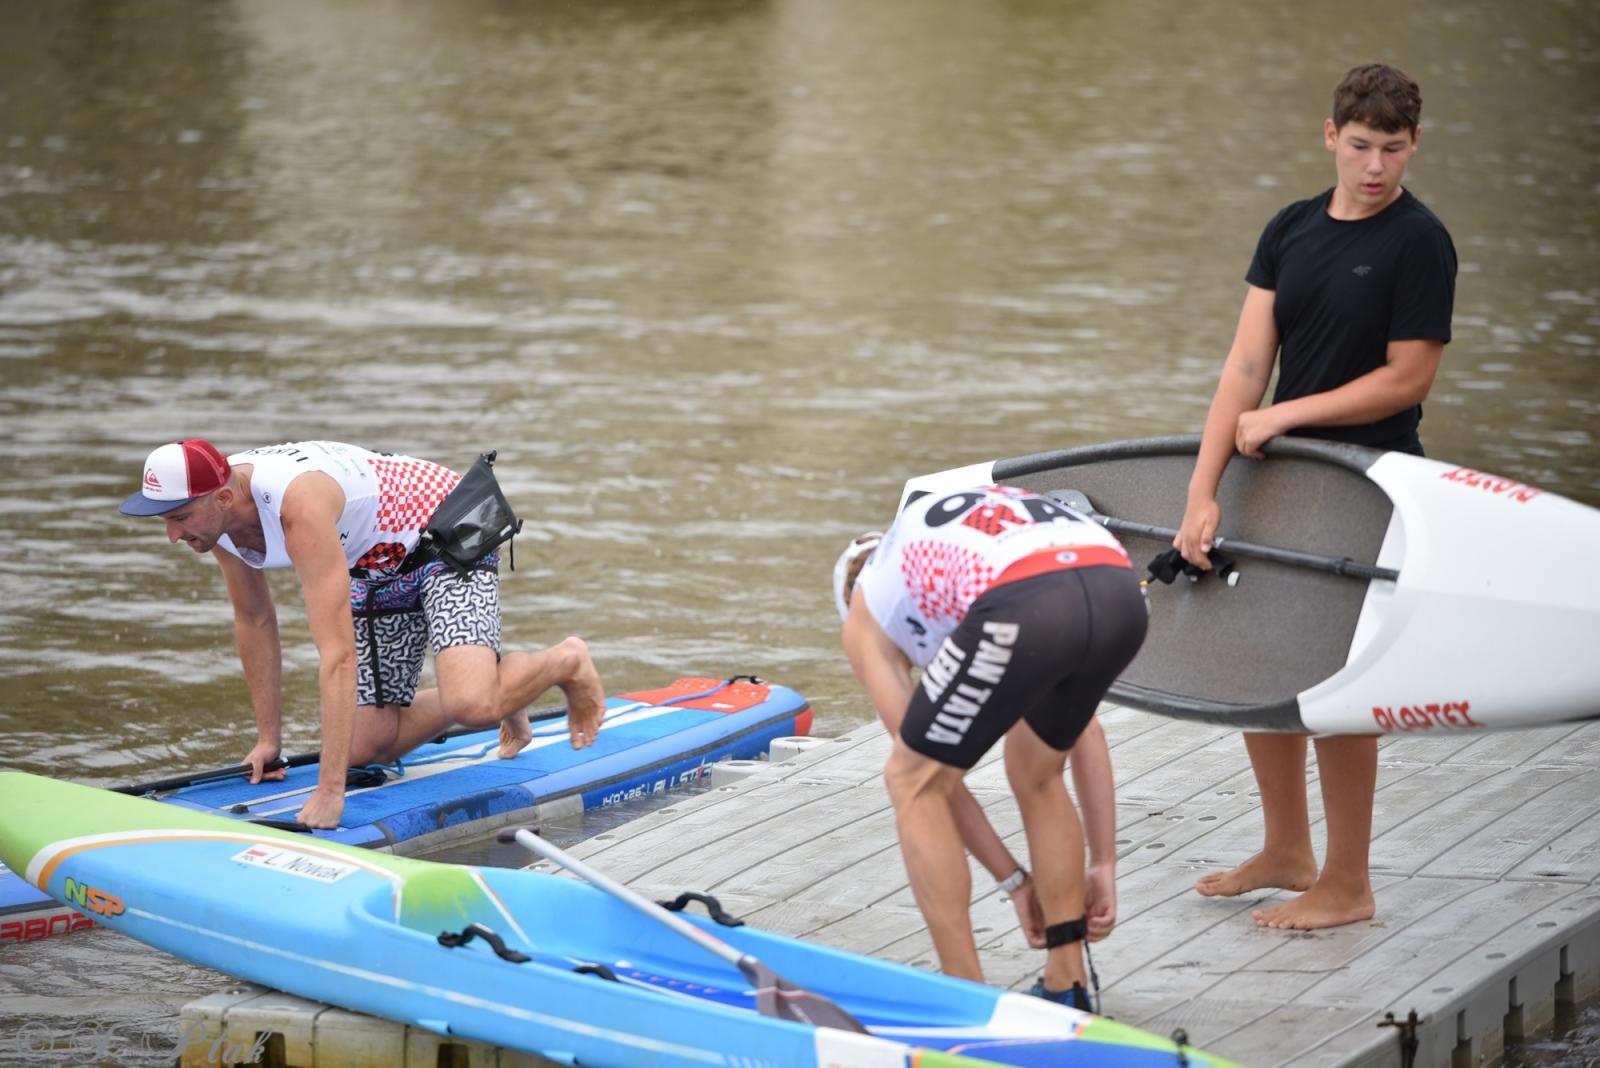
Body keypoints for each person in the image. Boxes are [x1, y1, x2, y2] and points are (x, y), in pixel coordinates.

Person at [1173, 63, 1457, 930]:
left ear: (1415, 146)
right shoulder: (1290, 229)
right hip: (1278, 472)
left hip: (1369, 480)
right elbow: (1246, 366)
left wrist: (1288, 415)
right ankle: (1287, 850)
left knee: (1336, 685)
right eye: (1362, 146)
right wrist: (1202, 492)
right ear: (1331, 136)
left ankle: (1348, 883)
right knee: (1264, 661)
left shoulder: (1421, 241)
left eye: (1394, 150)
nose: (1376, 167)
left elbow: (1407, 378)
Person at [119, 438, 607, 830]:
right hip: (375, 563)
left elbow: (337, 657)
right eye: (166, 520)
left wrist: (330, 792)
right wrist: (270, 739)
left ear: (223, 497)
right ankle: (495, 682)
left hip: (448, 531)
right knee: (364, 747)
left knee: (472, 708)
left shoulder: (298, 507)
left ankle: (564, 661)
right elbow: (255, 620)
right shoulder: (217, 521)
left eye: (179, 519)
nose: (173, 536)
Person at [835, 485, 1146, 1010]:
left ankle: (966, 1002)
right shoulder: (939, 563)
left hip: (1028, 595)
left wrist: (1014, 883)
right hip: (1119, 587)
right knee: (1036, 769)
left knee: (910, 780)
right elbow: (1086, 733)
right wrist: (1103, 862)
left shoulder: (866, 609)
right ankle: (1065, 984)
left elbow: (934, 781)